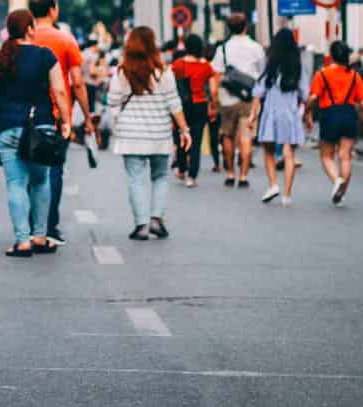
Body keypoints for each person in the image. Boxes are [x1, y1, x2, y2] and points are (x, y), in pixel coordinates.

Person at [0, 9, 69, 257]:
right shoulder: (44, 56)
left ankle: (22, 241)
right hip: (41, 127)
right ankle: (40, 236)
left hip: (8, 127)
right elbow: (59, 91)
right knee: (41, 182)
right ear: (30, 29)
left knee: (16, 183)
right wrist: (67, 121)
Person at [107, 27, 189, 240]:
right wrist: (184, 129)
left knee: (136, 179)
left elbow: (112, 103)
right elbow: (174, 103)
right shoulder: (164, 72)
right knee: (161, 177)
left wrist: (117, 124)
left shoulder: (121, 72)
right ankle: (156, 219)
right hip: (159, 134)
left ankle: (141, 224)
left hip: (130, 136)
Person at [29, 0, 91, 243]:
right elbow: (76, 82)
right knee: (53, 169)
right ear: (53, 11)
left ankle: (31, 224)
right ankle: (49, 226)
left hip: (25, 113)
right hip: (55, 113)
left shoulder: (24, 38)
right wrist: (86, 116)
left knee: (27, 171)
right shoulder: (65, 39)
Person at [305, 40, 363, 205]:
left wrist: (307, 110)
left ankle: (337, 180)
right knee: (345, 156)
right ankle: (341, 193)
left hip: (330, 115)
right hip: (349, 114)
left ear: (331, 56)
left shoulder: (322, 74)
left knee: (326, 156)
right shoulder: (354, 75)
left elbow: (314, 97)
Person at [251, 28, 307, 205]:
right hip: (290, 113)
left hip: (271, 113)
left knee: (268, 150)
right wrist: (306, 112)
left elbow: (259, 92)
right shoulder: (298, 66)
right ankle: (287, 195)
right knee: (288, 152)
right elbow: (305, 93)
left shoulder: (271, 65)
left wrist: (253, 115)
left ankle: (273, 184)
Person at [213, 12, 265, 189]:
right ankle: (243, 175)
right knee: (246, 137)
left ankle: (230, 173)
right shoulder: (256, 48)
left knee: (227, 135)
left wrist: (213, 99)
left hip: (227, 98)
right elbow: (262, 72)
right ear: (246, 27)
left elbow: (217, 74)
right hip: (249, 99)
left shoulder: (223, 49)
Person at [170, 34, 216, 188]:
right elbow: (213, 90)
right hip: (200, 105)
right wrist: (213, 106)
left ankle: (182, 168)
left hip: (182, 106)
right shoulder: (206, 67)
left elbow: (170, 85)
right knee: (196, 141)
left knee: (182, 136)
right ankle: (192, 176)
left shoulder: (177, 64)